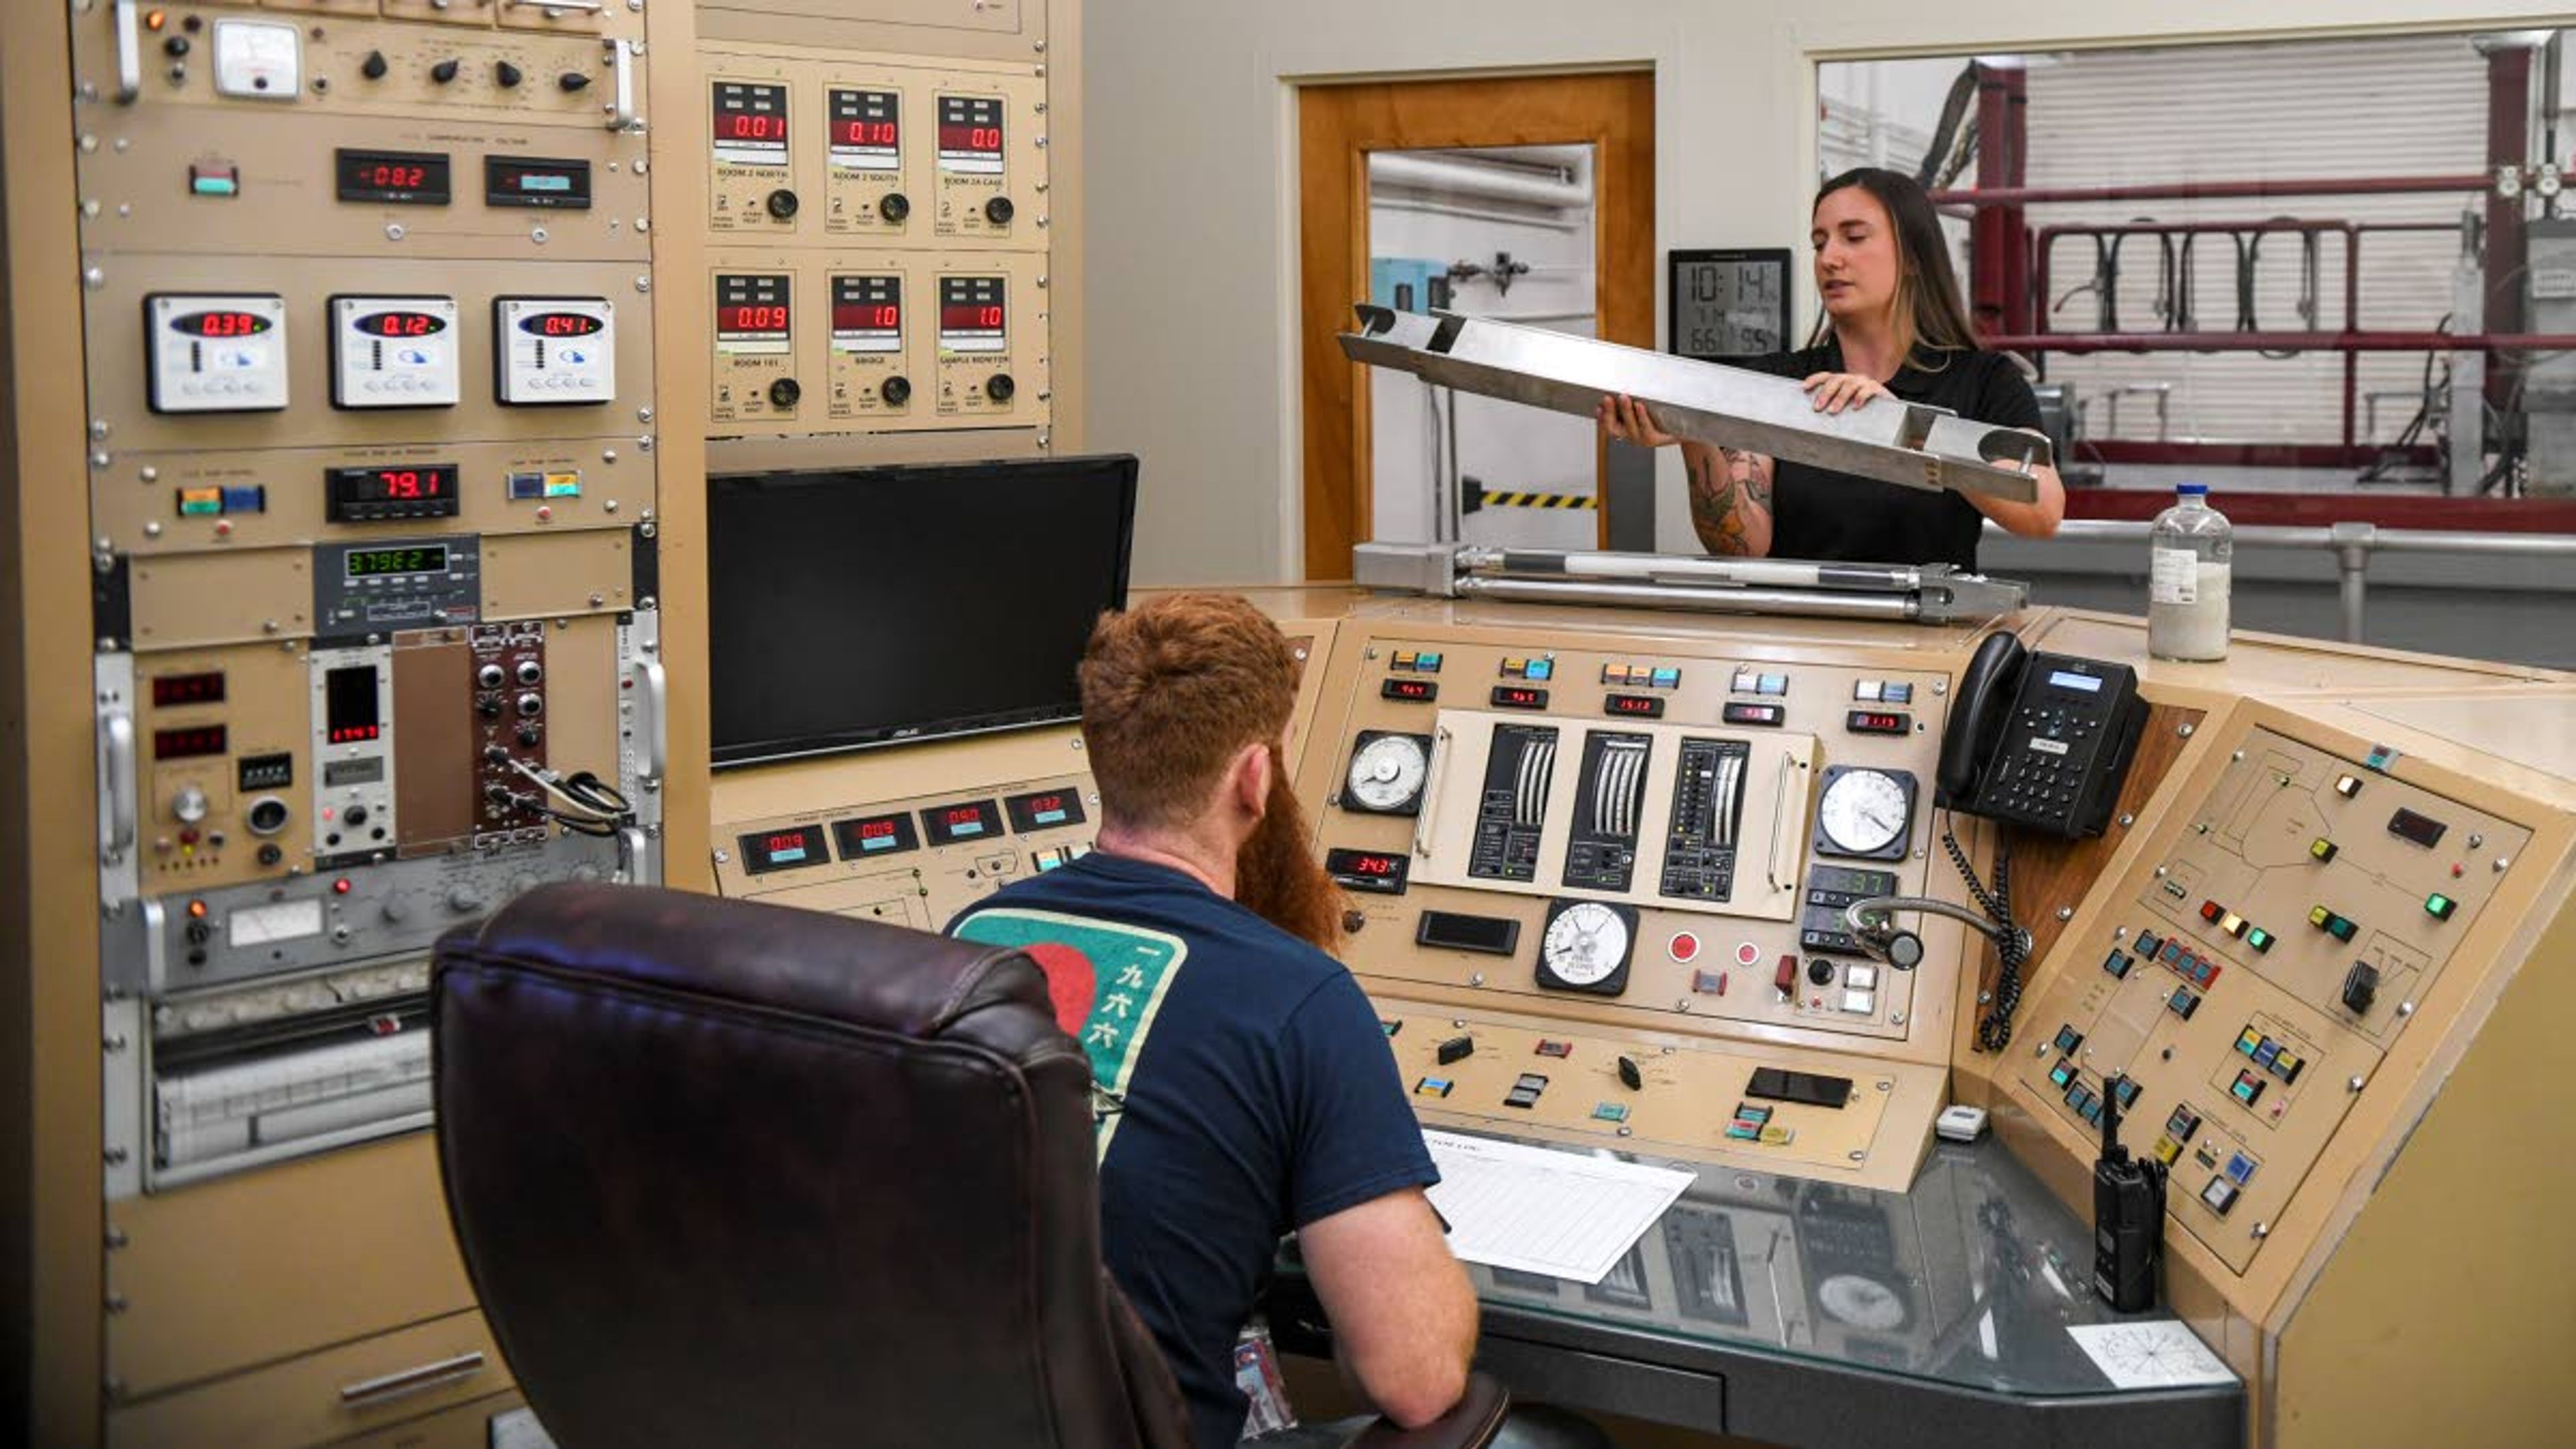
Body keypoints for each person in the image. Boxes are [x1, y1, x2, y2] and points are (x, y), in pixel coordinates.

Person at [949, 594, 1609, 1449]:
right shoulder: (1300, 998)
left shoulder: (973, 938)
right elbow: (1415, 1379)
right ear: (1256, 776)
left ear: (1103, 755)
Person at [1598, 165, 2065, 569]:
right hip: (1800, 646)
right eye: (1820, 243)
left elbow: (2042, 513)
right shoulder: (1779, 381)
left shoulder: (1984, 380)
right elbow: (1741, 547)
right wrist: (1693, 430)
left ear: (1914, 257)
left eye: (1854, 237)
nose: (1829, 258)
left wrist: (1908, 430)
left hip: (1929, 645)